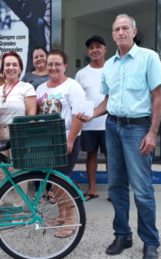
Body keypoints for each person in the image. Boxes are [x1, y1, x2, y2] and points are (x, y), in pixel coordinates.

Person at [78, 14, 161, 259]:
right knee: (116, 186)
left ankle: (150, 241)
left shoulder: (149, 57)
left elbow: (158, 96)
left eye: (124, 28)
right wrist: (91, 114)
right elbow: (107, 101)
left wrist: (152, 133)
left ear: (134, 30)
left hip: (138, 128)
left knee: (142, 189)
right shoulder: (110, 65)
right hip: (113, 126)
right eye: (116, 29)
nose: (120, 32)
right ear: (113, 34)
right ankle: (122, 235)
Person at [36, 49, 85, 238]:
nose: (53, 67)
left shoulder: (73, 86)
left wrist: (70, 140)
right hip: (47, 140)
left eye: (58, 63)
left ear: (65, 66)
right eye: (50, 64)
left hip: (65, 138)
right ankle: (62, 215)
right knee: (54, 182)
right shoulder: (41, 89)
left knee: (62, 180)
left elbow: (78, 116)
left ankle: (71, 219)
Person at [0, 51, 37, 197]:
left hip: (18, 132)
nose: (11, 67)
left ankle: (17, 211)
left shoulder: (26, 88)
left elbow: (31, 114)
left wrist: (27, 137)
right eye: (7, 64)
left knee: (19, 172)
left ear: (20, 68)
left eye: (14, 64)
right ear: (2, 68)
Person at [74, 35, 107, 201]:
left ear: (104, 49)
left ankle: (115, 191)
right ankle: (92, 189)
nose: (95, 50)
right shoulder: (81, 74)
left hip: (109, 123)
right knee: (91, 155)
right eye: (91, 47)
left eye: (98, 46)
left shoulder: (112, 68)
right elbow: (78, 98)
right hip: (89, 123)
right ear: (88, 51)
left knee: (112, 158)